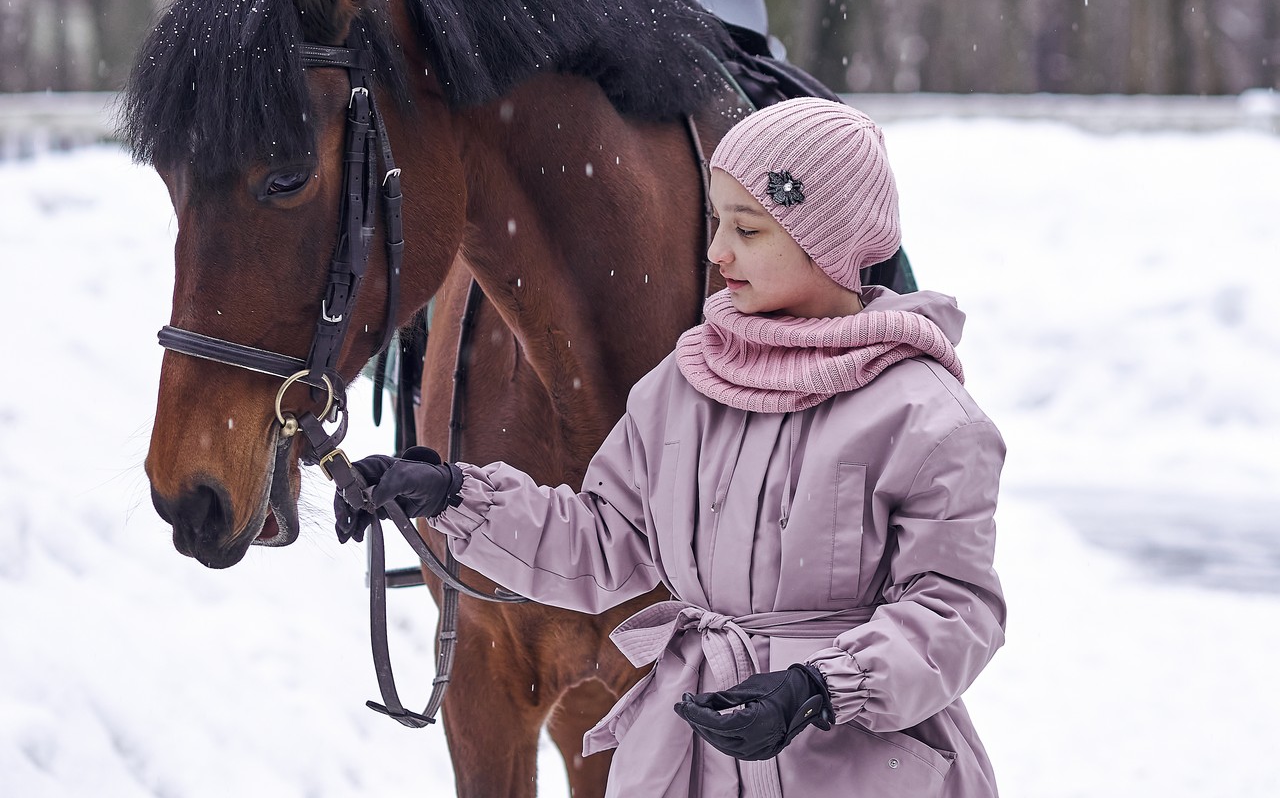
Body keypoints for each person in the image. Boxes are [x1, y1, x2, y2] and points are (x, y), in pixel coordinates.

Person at [336, 97, 1006, 798]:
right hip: (692, 765)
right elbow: (603, 541)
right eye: (718, 222)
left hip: (854, 767)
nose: (718, 253)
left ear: (829, 239)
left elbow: (956, 608)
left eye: (748, 230)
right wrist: (452, 495)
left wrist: (818, 687)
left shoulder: (927, 418)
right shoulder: (683, 388)